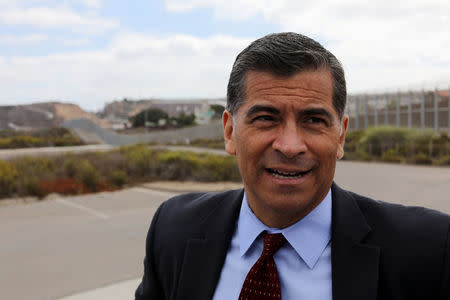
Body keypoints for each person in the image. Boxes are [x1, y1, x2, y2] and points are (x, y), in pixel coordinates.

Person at [135, 32, 450, 300]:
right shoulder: (173, 229)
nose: (290, 146)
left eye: (313, 120)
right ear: (230, 132)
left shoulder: (430, 250)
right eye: (266, 119)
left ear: (341, 135)